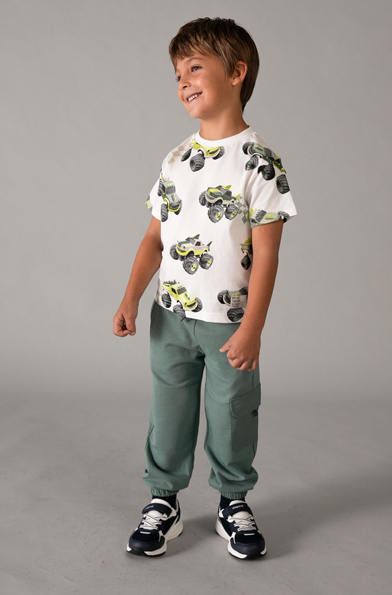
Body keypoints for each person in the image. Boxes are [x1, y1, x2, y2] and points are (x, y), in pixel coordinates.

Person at [113, 16, 297, 560]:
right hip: (170, 317)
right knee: (168, 411)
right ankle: (163, 500)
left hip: (230, 325)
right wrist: (130, 298)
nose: (183, 81)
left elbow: (267, 254)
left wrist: (253, 328)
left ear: (236, 73)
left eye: (194, 67)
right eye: (177, 74)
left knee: (233, 412)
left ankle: (232, 502)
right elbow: (154, 239)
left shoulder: (259, 163)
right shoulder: (176, 160)